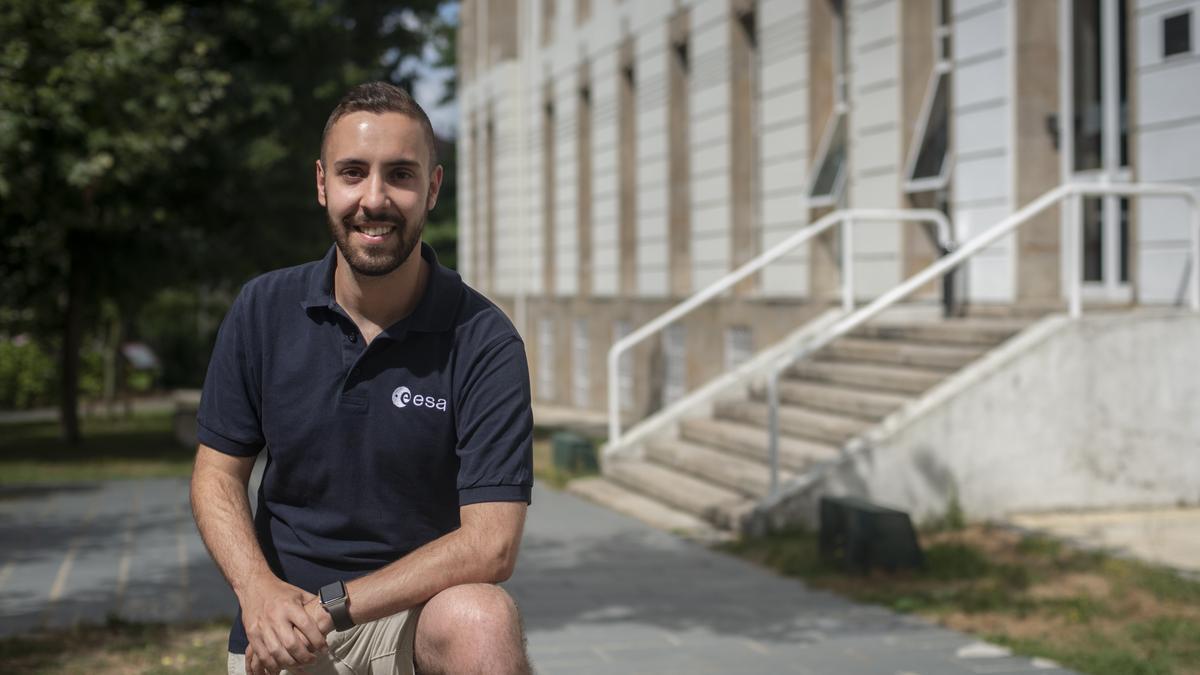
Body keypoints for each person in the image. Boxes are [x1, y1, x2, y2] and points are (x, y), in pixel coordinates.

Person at [190, 81, 534, 675]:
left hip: (416, 619)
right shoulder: (263, 309)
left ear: (433, 188)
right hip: (285, 626)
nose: (374, 199)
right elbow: (216, 476)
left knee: (483, 617)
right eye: (353, 173)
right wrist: (258, 592)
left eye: (400, 175)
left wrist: (336, 605)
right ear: (322, 184)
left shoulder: (484, 338)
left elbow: (492, 544)